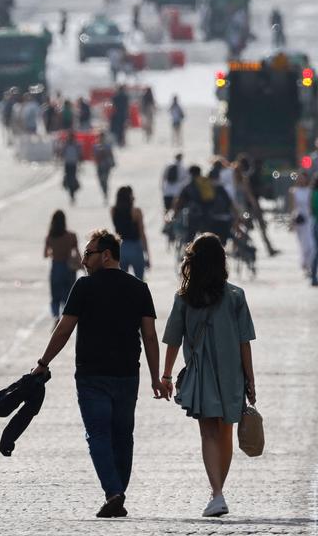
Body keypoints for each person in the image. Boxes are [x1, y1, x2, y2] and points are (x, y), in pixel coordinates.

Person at [32, 228, 167, 519]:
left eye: (89, 253)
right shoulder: (138, 288)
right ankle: (117, 490)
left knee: (98, 435)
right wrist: (156, 377)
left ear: (106, 255)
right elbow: (150, 336)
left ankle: (114, 492)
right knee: (123, 436)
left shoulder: (84, 287)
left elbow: (64, 330)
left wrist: (43, 362)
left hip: (92, 375)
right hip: (128, 374)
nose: (83, 260)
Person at [161, 233, 256, 519]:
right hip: (231, 373)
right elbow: (244, 341)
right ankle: (218, 492)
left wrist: (166, 375)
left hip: (201, 373)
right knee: (225, 431)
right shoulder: (236, 296)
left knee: (208, 433)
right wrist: (250, 380)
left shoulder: (184, 298)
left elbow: (173, 339)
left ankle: (217, 493)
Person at [44, 209, 81, 326]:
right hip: (69, 268)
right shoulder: (71, 236)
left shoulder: (50, 237)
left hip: (56, 267)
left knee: (55, 297)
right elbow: (77, 252)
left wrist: (53, 253)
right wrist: (82, 265)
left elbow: (45, 254)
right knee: (68, 297)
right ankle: (66, 321)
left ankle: (56, 316)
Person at [112, 186, 150, 281]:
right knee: (139, 281)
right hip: (135, 247)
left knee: (121, 281)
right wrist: (147, 254)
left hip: (121, 247)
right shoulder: (136, 212)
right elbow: (142, 233)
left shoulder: (113, 211)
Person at [288, 170, 314, 276]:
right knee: (302, 244)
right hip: (299, 219)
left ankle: (309, 263)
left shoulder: (310, 191)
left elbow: (311, 205)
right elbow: (293, 207)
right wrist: (292, 221)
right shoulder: (294, 191)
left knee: (311, 244)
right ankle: (305, 265)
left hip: (309, 219)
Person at [93, 132, 116, 204]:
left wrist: (112, 162)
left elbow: (111, 154)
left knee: (105, 179)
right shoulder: (96, 146)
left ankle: (106, 193)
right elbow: (94, 156)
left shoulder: (107, 146)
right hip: (99, 166)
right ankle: (104, 192)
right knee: (101, 181)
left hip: (106, 166)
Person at [62, 131, 81, 205]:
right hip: (67, 164)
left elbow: (79, 154)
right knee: (68, 178)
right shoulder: (66, 145)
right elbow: (62, 153)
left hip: (73, 164)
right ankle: (70, 192)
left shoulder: (76, 145)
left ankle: (73, 192)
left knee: (73, 179)